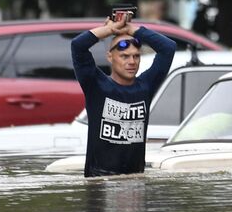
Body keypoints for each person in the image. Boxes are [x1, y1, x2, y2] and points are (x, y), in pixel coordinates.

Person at [70, 11, 176, 177]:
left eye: (136, 56)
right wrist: (110, 30)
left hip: (135, 179)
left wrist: (132, 29)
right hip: (100, 179)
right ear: (110, 57)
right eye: (124, 56)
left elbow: (168, 48)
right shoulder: (96, 85)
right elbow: (78, 45)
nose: (132, 62)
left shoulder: (146, 86)